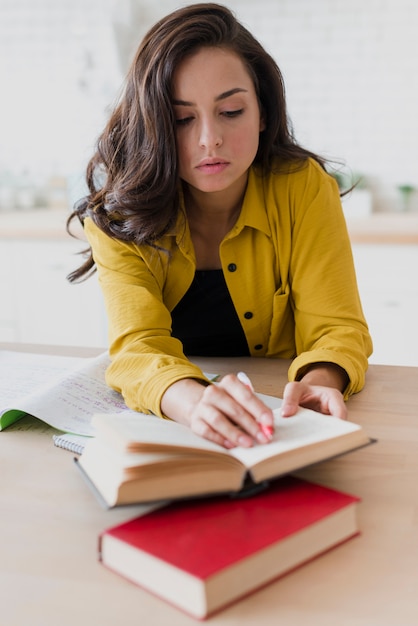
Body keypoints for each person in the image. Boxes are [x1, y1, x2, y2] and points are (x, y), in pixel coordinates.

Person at [67, 3, 372, 450]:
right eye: (181, 119)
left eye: (230, 111)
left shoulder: (303, 188)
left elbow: (338, 328)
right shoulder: (120, 215)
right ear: (154, 126)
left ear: (263, 112)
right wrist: (193, 403)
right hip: (175, 426)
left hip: (282, 426)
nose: (210, 138)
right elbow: (136, 349)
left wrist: (322, 378)